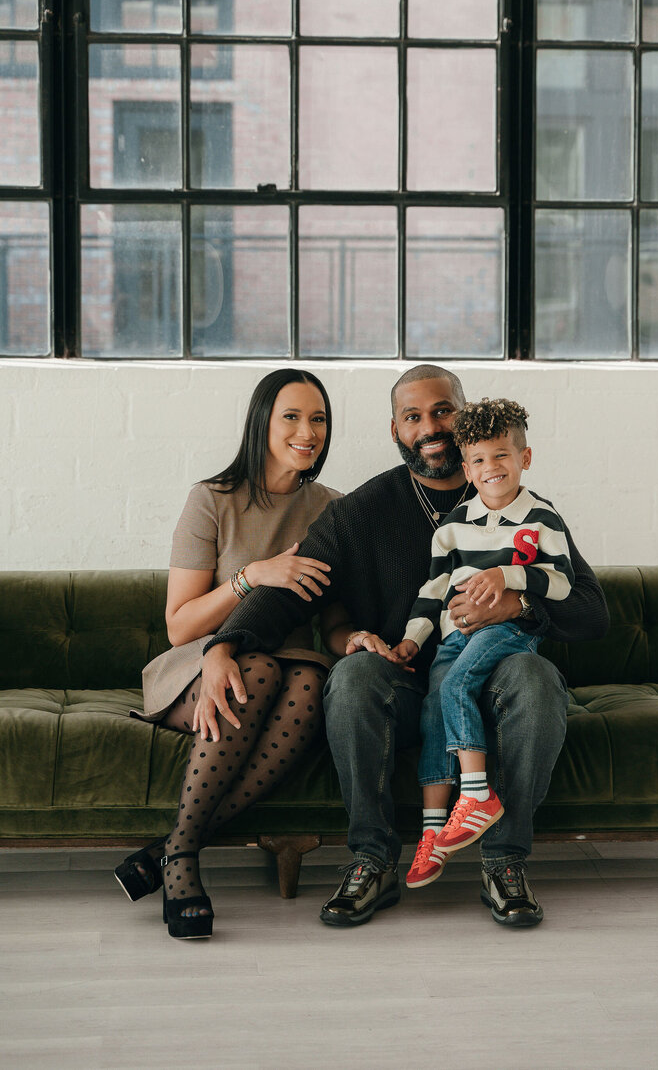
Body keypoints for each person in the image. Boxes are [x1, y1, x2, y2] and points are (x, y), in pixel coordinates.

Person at [203, 364, 609, 929]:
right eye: (413, 417)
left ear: (466, 418)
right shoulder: (357, 512)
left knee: (537, 680)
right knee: (350, 677)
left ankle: (505, 861)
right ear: (395, 430)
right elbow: (297, 589)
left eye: (443, 411)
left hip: (491, 670)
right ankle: (372, 861)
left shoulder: (518, 502)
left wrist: (519, 604)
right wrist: (225, 644)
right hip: (401, 669)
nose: (430, 427)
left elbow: (591, 610)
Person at [116, 369, 343, 939]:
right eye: (291, 416)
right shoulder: (211, 499)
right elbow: (179, 625)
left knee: (309, 681)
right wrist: (252, 577)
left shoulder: (334, 509)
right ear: (261, 421)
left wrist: (361, 638)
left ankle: (171, 849)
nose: (307, 431)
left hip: (293, 666)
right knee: (258, 669)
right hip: (198, 661)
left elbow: (336, 618)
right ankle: (183, 862)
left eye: (317, 418)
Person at [390, 397, 575, 893]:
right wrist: (412, 641)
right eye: (479, 460)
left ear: (525, 459)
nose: (491, 468)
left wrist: (509, 575)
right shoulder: (451, 526)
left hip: (508, 630)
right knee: (435, 706)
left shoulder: (542, 518)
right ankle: (434, 830)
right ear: (467, 469)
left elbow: (561, 584)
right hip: (453, 635)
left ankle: (475, 796)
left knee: (457, 689)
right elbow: (433, 592)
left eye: (502, 456)